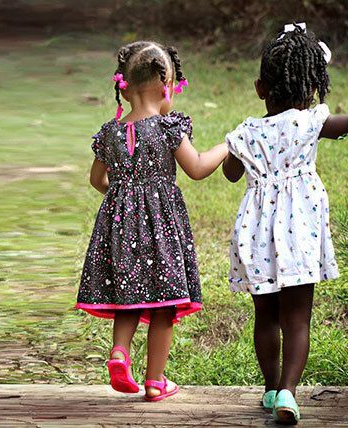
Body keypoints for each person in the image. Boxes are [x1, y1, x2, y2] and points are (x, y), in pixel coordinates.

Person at [222, 23, 348, 424]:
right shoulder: (310, 121)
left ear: (260, 88)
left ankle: (268, 388)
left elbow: (230, 173)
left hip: (256, 233)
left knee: (265, 317)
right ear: (314, 85)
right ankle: (288, 393)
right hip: (300, 231)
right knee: (298, 319)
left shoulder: (247, 131)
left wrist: (244, 152)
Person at [76, 41, 228, 402]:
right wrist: (227, 146)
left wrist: (123, 199)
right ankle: (156, 381)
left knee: (126, 295)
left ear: (124, 87)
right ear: (166, 86)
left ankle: (119, 353)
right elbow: (197, 168)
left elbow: (97, 180)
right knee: (163, 303)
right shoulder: (167, 128)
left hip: (120, 228)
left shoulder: (109, 133)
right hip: (161, 231)